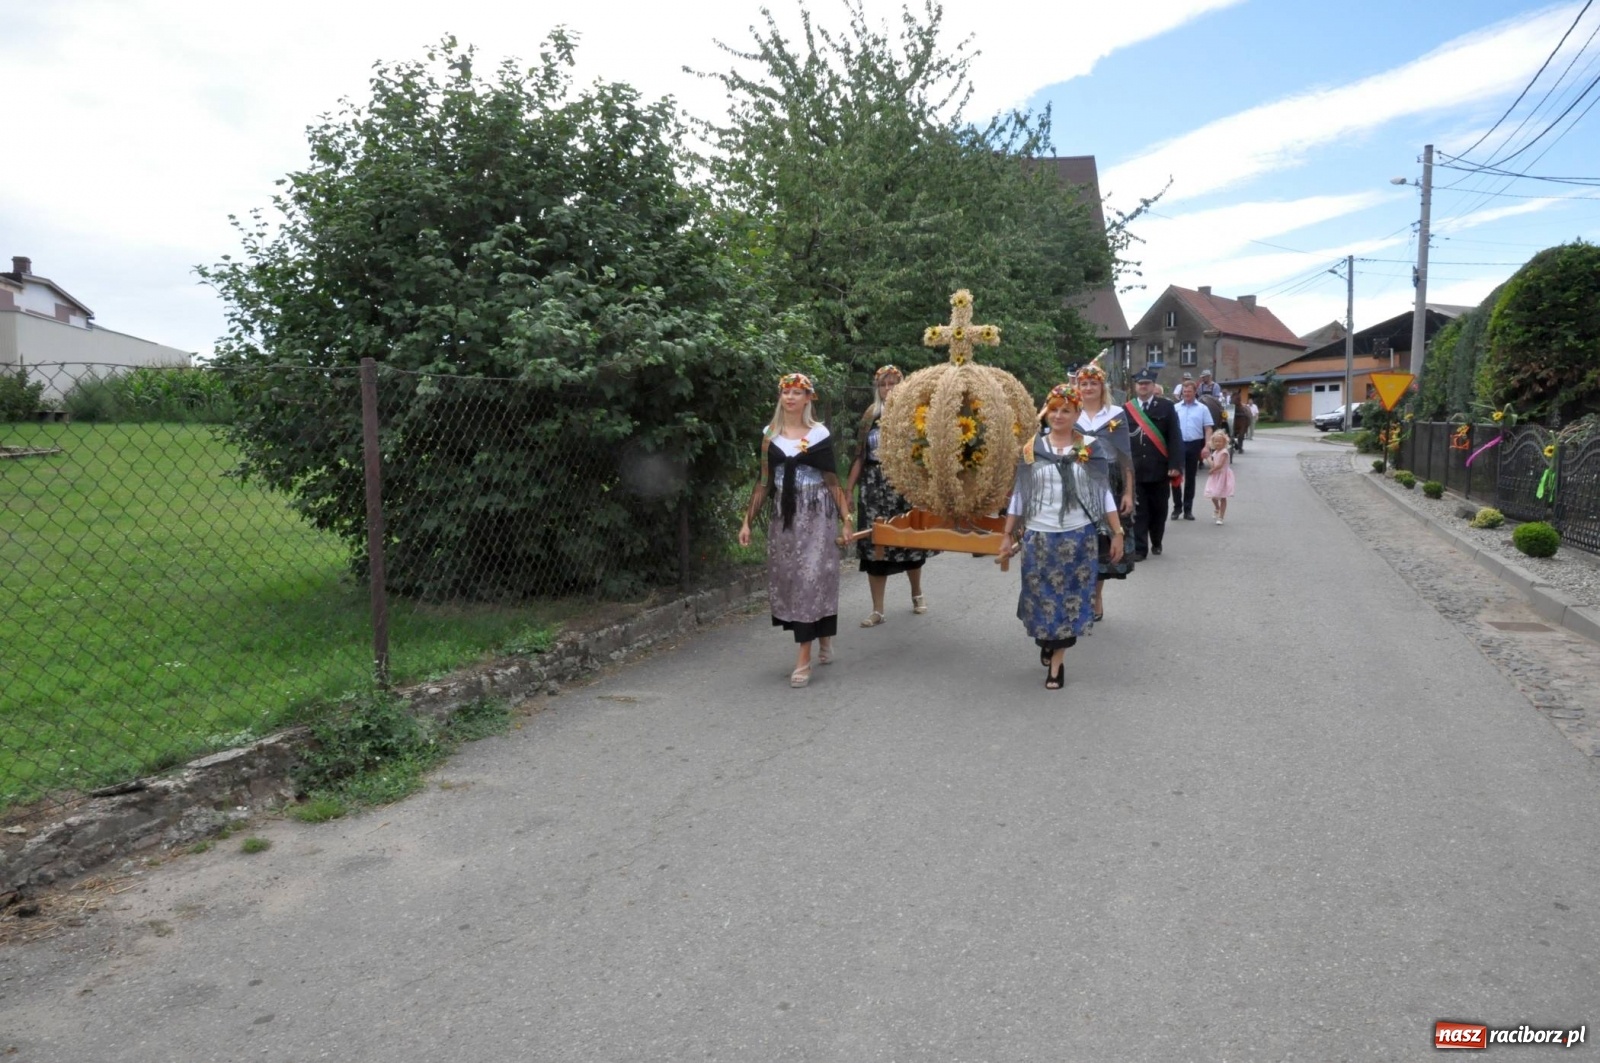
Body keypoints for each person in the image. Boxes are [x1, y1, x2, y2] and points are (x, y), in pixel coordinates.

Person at [998, 382, 1126, 691]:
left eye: (1065, 410)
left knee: (1070, 600)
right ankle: (1047, 642)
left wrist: (1117, 531)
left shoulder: (1091, 448)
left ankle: (1058, 663)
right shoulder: (1032, 448)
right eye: (1053, 409)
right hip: (1038, 538)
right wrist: (1006, 534)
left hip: (1077, 537)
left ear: (1077, 413)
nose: (1058, 416)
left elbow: (1103, 493)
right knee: (1040, 597)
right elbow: (1019, 495)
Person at [739, 373, 851, 688]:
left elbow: (832, 480)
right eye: (785, 392)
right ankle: (823, 633)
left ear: (808, 398)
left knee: (813, 577)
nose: (789, 397)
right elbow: (763, 482)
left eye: (796, 392)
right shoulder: (769, 436)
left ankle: (804, 659)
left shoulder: (819, 435)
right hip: (784, 517)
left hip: (816, 515)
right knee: (792, 578)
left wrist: (846, 519)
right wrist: (747, 520)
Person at [846, 365, 928, 626]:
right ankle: (877, 610)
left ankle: (917, 593)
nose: (888, 389)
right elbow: (859, 456)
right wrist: (849, 490)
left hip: (902, 484)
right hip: (872, 487)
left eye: (893, 384)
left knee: (909, 541)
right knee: (874, 543)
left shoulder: (912, 416)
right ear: (877, 388)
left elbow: (922, 455)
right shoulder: (870, 416)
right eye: (883, 384)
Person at [1072, 363, 1134, 621]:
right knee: (1075, 540)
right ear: (1078, 387)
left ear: (1101, 387)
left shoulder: (1116, 414)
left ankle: (1096, 595)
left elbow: (1125, 456)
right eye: (1083, 384)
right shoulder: (1068, 413)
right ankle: (1077, 594)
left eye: (1093, 383)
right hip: (1074, 484)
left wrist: (1129, 493)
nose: (1088, 388)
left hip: (1109, 482)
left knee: (1102, 541)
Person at [1124, 368, 1183, 559]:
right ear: (1136, 386)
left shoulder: (1166, 407)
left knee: (1159, 510)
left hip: (1160, 469)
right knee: (1139, 511)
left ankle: (1156, 540)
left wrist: (1175, 464)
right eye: (1140, 383)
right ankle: (1140, 549)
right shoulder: (1126, 410)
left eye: (1147, 383)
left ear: (1153, 386)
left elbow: (1175, 437)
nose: (1143, 386)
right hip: (1136, 470)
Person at [1170, 381, 1215, 521]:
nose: (1186, 394)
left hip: (1194, 444)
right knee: (1175, 476)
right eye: (1184, 392)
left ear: (1195, 392)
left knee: (1190, 478)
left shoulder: (1202, 409)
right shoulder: (1175, 408)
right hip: (1177, 445)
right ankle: (1177, 508)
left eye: (1189, 392)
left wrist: (1207, 446)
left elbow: (1208, 428)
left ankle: (1188, 509)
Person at [1204, 429, 1235, 523]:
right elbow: (1213, 463)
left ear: (1224, 442)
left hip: (1223, 476)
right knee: (1213, 495)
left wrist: (1212, 470)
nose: (1218, 443)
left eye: (1220, 441)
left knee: (1223, 496)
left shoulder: (1224, 452)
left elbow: (1220, 465)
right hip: (1216, 476)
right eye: (1216, 441)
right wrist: (1208, 458)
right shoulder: (1216, 452)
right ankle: (1217, 508)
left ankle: (1221, 517)